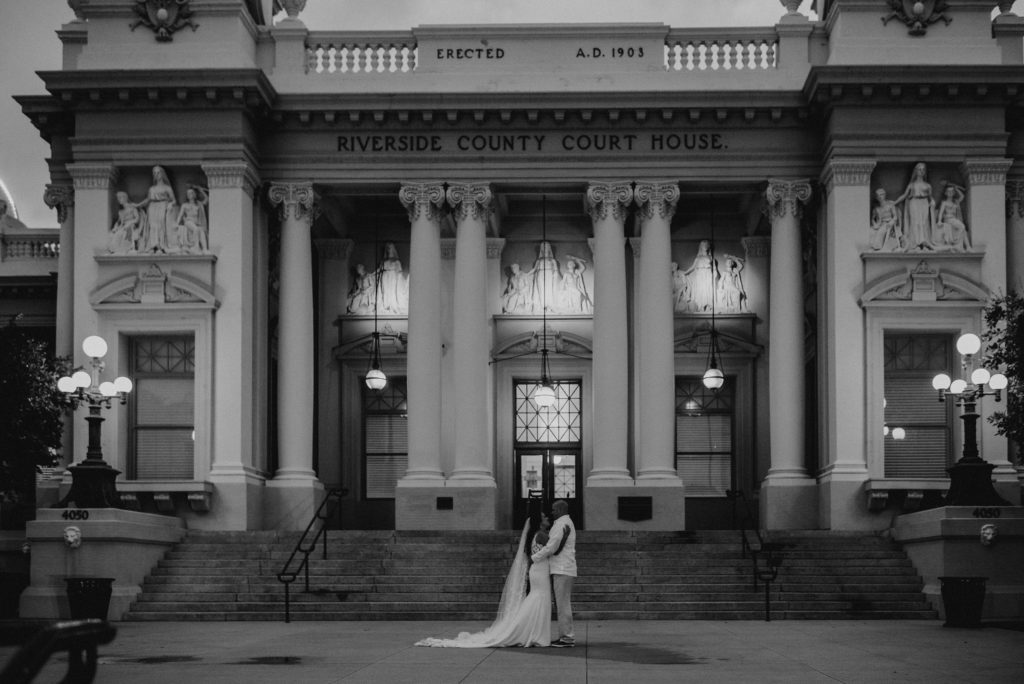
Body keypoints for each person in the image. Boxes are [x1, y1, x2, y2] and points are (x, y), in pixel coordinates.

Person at [416, 513, 552, 648]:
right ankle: (531, 632)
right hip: (540, 572)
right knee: (539, 598)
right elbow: (554, 547)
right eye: (544, 517)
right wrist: (563, 537)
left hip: (537, 571)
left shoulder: (535, 535)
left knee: (537, 598)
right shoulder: (541, 535)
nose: (547, 518)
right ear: (539, 521)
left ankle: (531, 631)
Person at [531, 499, 576, 648]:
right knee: (562, 604)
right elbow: (556, 546)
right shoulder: (563, 523)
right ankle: (564, 635)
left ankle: (567, 638)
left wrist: (534, 557)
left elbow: (552, 547)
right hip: (562, 568)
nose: (552, 512)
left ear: (561, 510)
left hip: (562, 568)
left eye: (554, 509)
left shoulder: (562, 524)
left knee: (563, 605)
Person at [136, 165, 178, 253]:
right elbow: (148, 200)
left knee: (160, 225)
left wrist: (170, 204)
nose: (156, 174)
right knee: (152, 225)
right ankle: (152, 245)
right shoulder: (152, 189)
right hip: (152, 207)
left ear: (162, 174)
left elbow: (174, 200)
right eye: (154, 173)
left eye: (158, 172)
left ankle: (160, 246)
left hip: (163, 206)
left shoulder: (167, 188)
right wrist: (138, 205)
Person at [894, 162, 935, 251]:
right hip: (914, 202)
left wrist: (932, 202)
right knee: (915, 221)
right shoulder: (912, 185)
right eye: (919, 169)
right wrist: (895, 203)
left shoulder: (928, 186)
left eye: (923, 169)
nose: (921, 171)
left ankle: (924, 242)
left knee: (924, 222)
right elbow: (904, 196)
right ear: (916, 171)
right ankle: (915, 243)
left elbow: (930, 197)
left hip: (924, 203)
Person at [934, 182, 969, 252]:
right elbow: (940, 213)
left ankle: (966, 247)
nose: (950, 193)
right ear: (945, 193)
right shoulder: (944, 202)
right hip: (948, 219)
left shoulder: (955, 202)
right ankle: (962, 246)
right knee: (962, 226)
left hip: (954, 219)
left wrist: (956, 188)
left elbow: (962, 196)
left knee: (963, 229)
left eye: (952, 191)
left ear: (954, 193)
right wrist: (939, 221)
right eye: (948, 191)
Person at [174, 186, 209, 253]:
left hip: (197, 222)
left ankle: (205, 249)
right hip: (188, 221)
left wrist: (201, 190)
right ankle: (196, 247)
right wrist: (177, 223)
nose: (190, 195)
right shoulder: (185, 205)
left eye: (192, 193)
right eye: (189, 193)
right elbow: (180, 215)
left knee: (201, 231)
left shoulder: (198, 204)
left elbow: (206, 199)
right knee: (195, 229)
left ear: (195, 194)